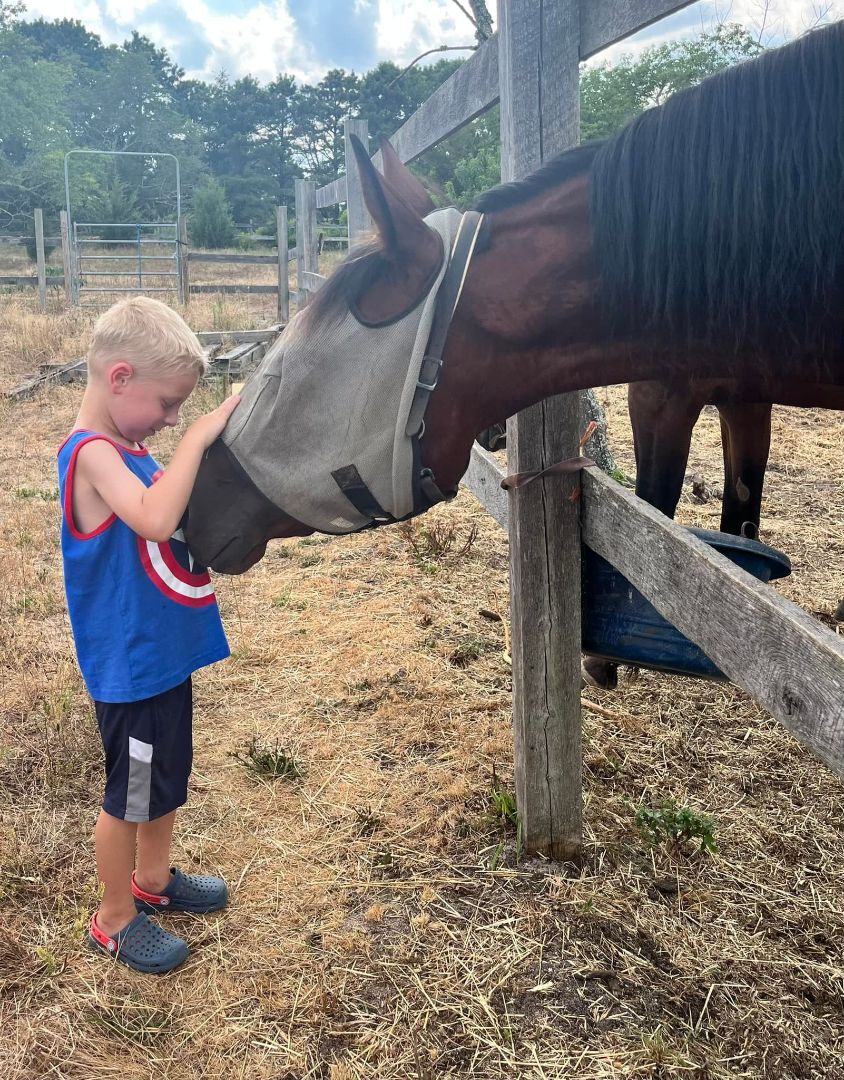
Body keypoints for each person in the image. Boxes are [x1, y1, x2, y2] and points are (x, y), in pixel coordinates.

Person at [56, 296, 240, 974]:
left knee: (166, 778)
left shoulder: (131, 449)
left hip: (164, 658)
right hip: (130, 669)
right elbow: (156, 521)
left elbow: (181, 518)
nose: (170, 421)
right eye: (167, 405)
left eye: (178, 412)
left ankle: (153, 880)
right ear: (120, 377)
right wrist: (196, 438)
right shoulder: (92, 455)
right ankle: (113, 918)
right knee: (129, 795)